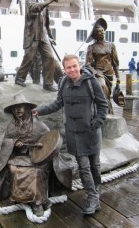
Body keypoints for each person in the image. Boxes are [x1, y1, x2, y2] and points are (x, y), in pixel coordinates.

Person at [32, 54, 109, 215]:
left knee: (95, 166)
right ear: (64, 69)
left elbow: (103, 106)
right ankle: (92, 197)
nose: (72, 70)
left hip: (92, 132)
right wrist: (40, 110)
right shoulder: (64, 83)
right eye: (68, 67)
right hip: (74, 133)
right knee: (84, 166)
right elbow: (58, 103)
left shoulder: (91, 82)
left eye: (74, 66)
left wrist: (95, 124)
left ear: (79, 65)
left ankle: (95, 194)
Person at [0, 93, 71, 217]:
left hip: (36, 158)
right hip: (18, 157)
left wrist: (39, 149)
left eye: (21, 107)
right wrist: (14, 142)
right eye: (15, 108)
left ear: (28, 108)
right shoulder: (12, 125)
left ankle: (38, 202)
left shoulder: (39, 125)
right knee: (14, 169)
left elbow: (49, 141)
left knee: (37, 171)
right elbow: (6, 142)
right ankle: (17, 198)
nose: (18, 110)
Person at [14, 0, 58, 92]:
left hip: (43, 34)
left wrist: (50, 35)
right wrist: (48, 1)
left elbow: (46, 21)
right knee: (29, 57)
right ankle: (20, 78)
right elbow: (33, 9)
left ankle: (48, 83)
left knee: (50, 57)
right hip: (32, 32)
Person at [85, 18, 120, 114]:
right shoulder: (91, 47)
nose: (101, 32)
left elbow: (115, 63)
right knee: (102, 86)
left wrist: (118, 78)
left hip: (109, 73)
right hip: (99, 72)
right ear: (95, 34)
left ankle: (108, 112)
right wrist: (96, 73)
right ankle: (105, 112)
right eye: (98, 31)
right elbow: (87, 64)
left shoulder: (111, 45)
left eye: (102, 30)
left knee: (108, 94)